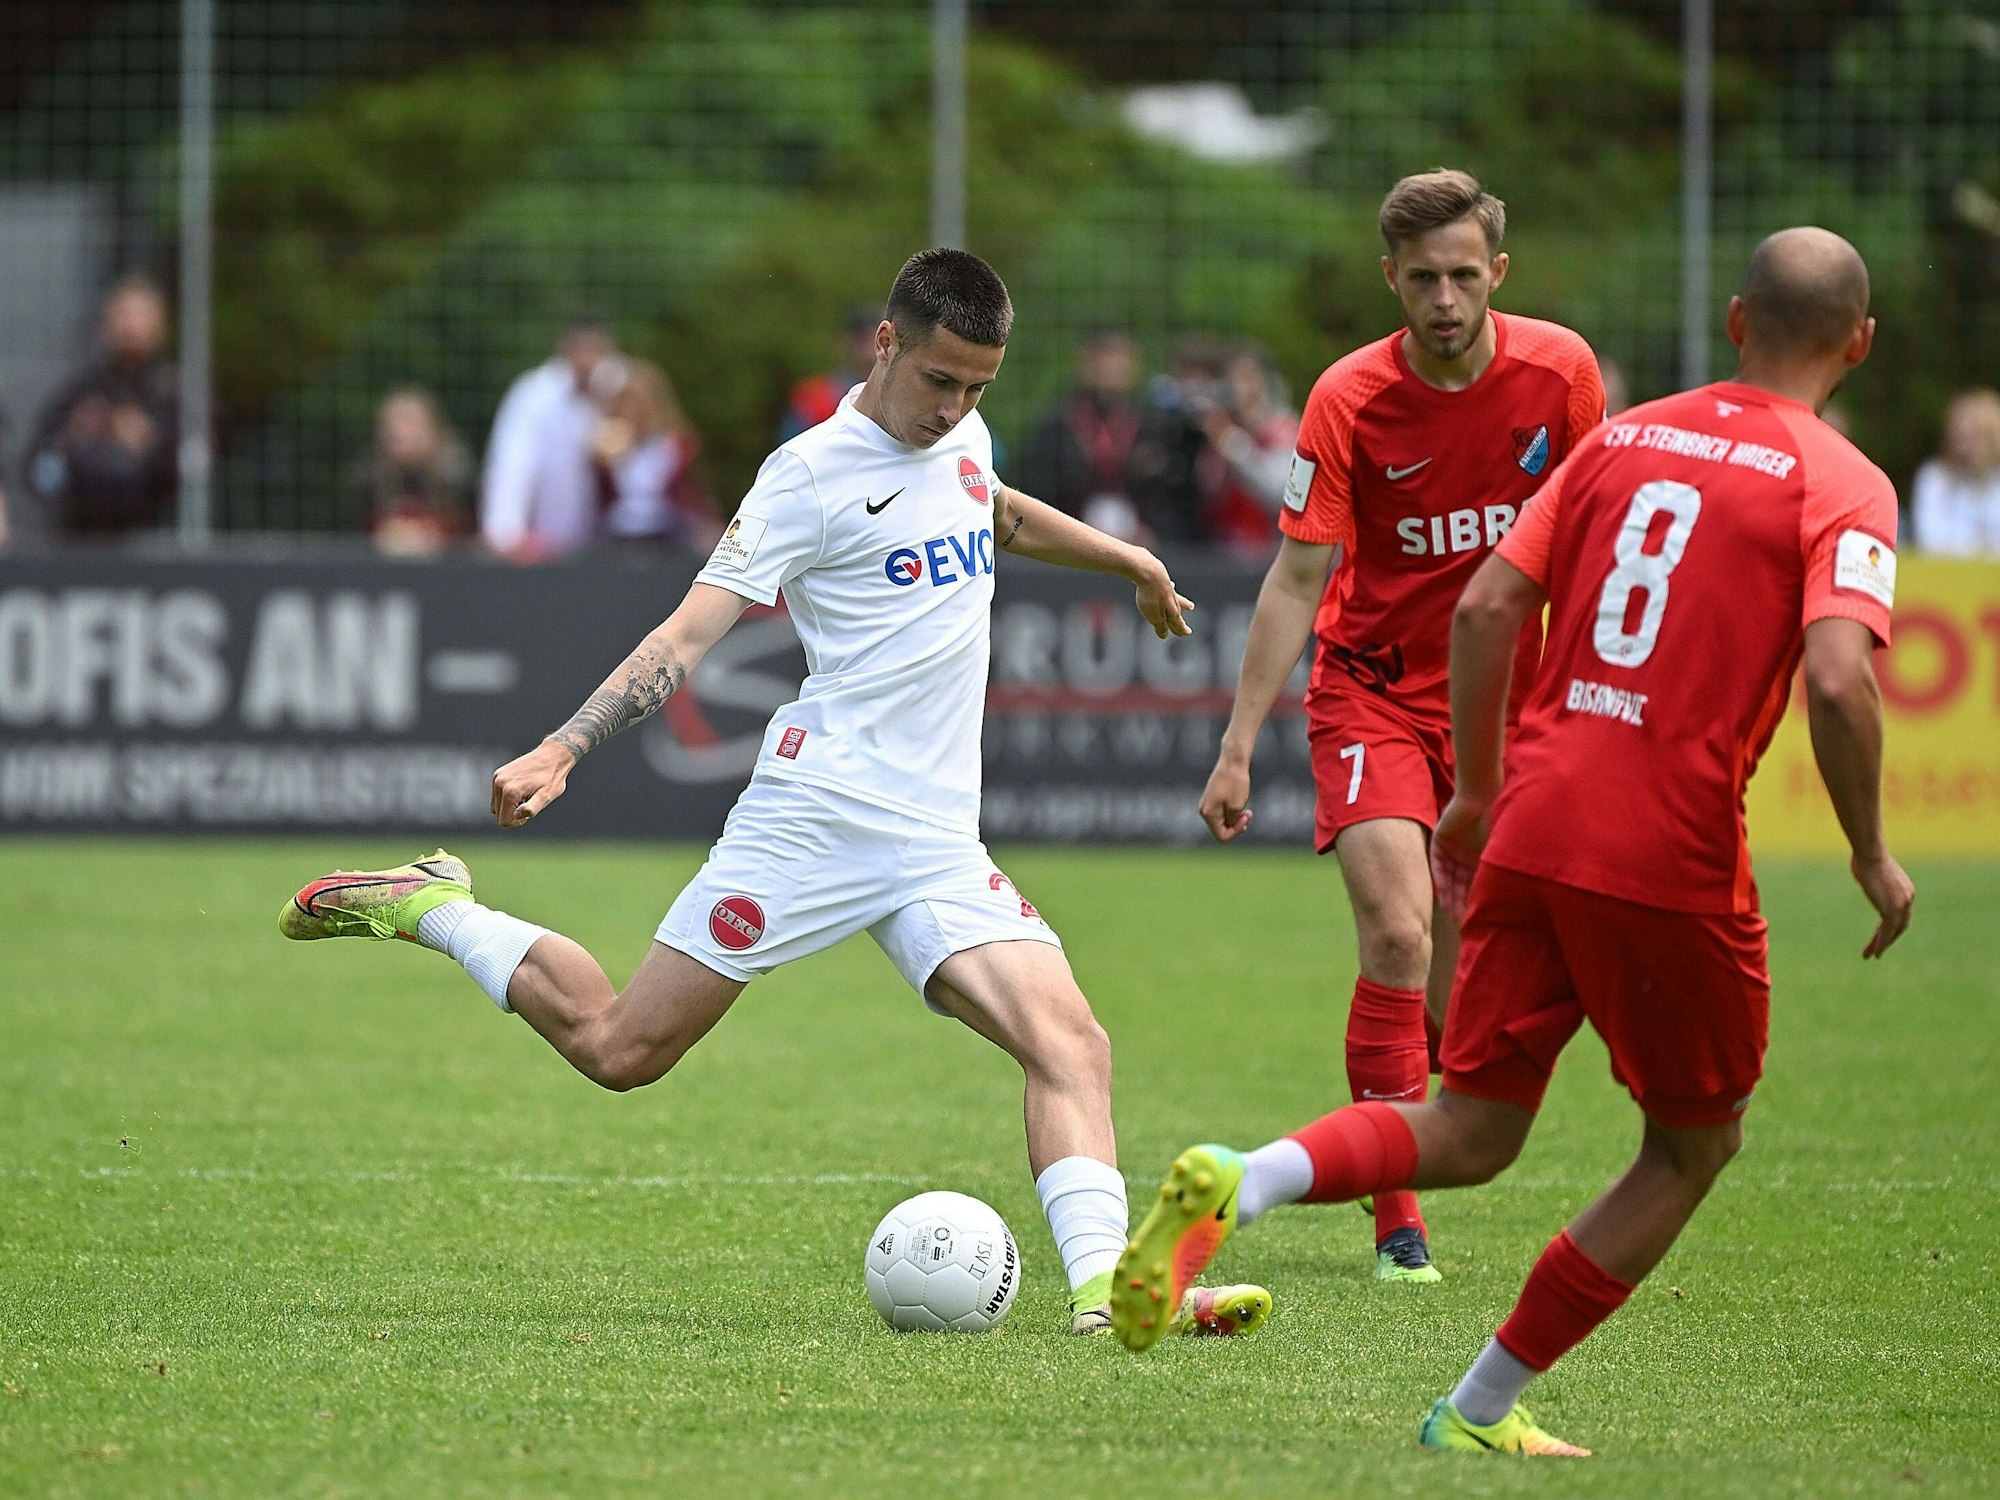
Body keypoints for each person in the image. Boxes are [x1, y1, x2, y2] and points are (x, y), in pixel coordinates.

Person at [276, 249, 1271, 1342]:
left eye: (978, 388)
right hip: (817, 817)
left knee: (1071, 1044)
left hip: (935, 838)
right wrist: (564, 746)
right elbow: (686, 634)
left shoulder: (965, 437)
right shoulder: (804, 477)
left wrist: (1124, 558)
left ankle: (1113, 1299)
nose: (955, 409)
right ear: (885, 343)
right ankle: (433, 903)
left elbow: (994, 510)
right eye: (940, 381)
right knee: (620, 1051)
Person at [1116, 228, 1914, 1459]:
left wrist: (1482, 790)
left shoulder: (1624, 429)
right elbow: (1838, 682)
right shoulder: (1844, 481)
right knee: (1691, 1141)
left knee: (1475, 1124)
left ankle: (1246, 1173)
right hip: (1664, 840)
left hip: (1534, 805)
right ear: (1858, 343)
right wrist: (1867, 849)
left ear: (1735, 322)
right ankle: (1475, 1399)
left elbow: (1492, 601)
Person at [1193, 169, 1605, 1286]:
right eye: (1420, 278)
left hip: (1503, 709)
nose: (1442, 298)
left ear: (1496, 275)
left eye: (1463, 276)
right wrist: (1236, 745)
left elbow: (1589, 554)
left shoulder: (1561, 373)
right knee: (1395, 932)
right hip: (1369, 689)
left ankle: (1387, 1125)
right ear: (1390, 279)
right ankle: (1396, 1220)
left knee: (1456, 987)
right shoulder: (1347, 397)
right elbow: (1293, 579)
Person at [24, 276, 179, 535]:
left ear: (161, 325)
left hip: (157, 534)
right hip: (78, 536)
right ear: (106, 322)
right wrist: (71, 438)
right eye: (123, 314)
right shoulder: (80, 392)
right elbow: (37, 473)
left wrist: (150, 446)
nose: (131, 325)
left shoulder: (172, 395)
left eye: (141, 314)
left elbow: (197, 471)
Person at [480, 318, 617, 562]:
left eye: (595, 351)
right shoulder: (533, 394)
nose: (587, 361)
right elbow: (513, 465)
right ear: (565, 351)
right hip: (542, 542)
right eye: (580, 351)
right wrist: (505, 533)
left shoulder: (620, 390)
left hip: (602, 542)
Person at [1017, 328, 1146, 540]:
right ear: (1085, 363)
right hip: (1070, 539)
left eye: (1117, 359)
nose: (1109, 368)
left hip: (1140, 541)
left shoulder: (1150, 426)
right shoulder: (1056, 427)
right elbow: (1037, 493)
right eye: (1102, 359)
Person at [592, 356, 719, 549]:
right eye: (625, 402)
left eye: (638, 402)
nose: (632, 411)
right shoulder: (609, 442)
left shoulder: (677, 445)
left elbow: (693, 496)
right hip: (617, 534)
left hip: (668, 533)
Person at [1195, 344, 1301, 558]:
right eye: (1231, 379)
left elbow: (1279, 492)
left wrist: (1233, 445)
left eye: (1245, 378)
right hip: (1221, 550)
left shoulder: (1281, 428)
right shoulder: (1222, 426)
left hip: (1267, 553)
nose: (1237, 388)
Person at [350, 386, 473, 556]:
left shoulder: (460, 484)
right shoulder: (367, 484)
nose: (403, 433)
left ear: (434, 429)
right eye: (396, 425)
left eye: (412, 423)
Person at [1909, 387, 2000, 555]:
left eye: (1977, 436)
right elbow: (1930, 542)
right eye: (1962, 436)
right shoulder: (1933, 479)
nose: (1967, 446)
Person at [778, 305, 882, 442]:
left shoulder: (904, 398)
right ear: (846, 343)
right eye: (863, 340)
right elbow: (791, 448)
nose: (869, 352)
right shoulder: (814, 397)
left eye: (877, 341)